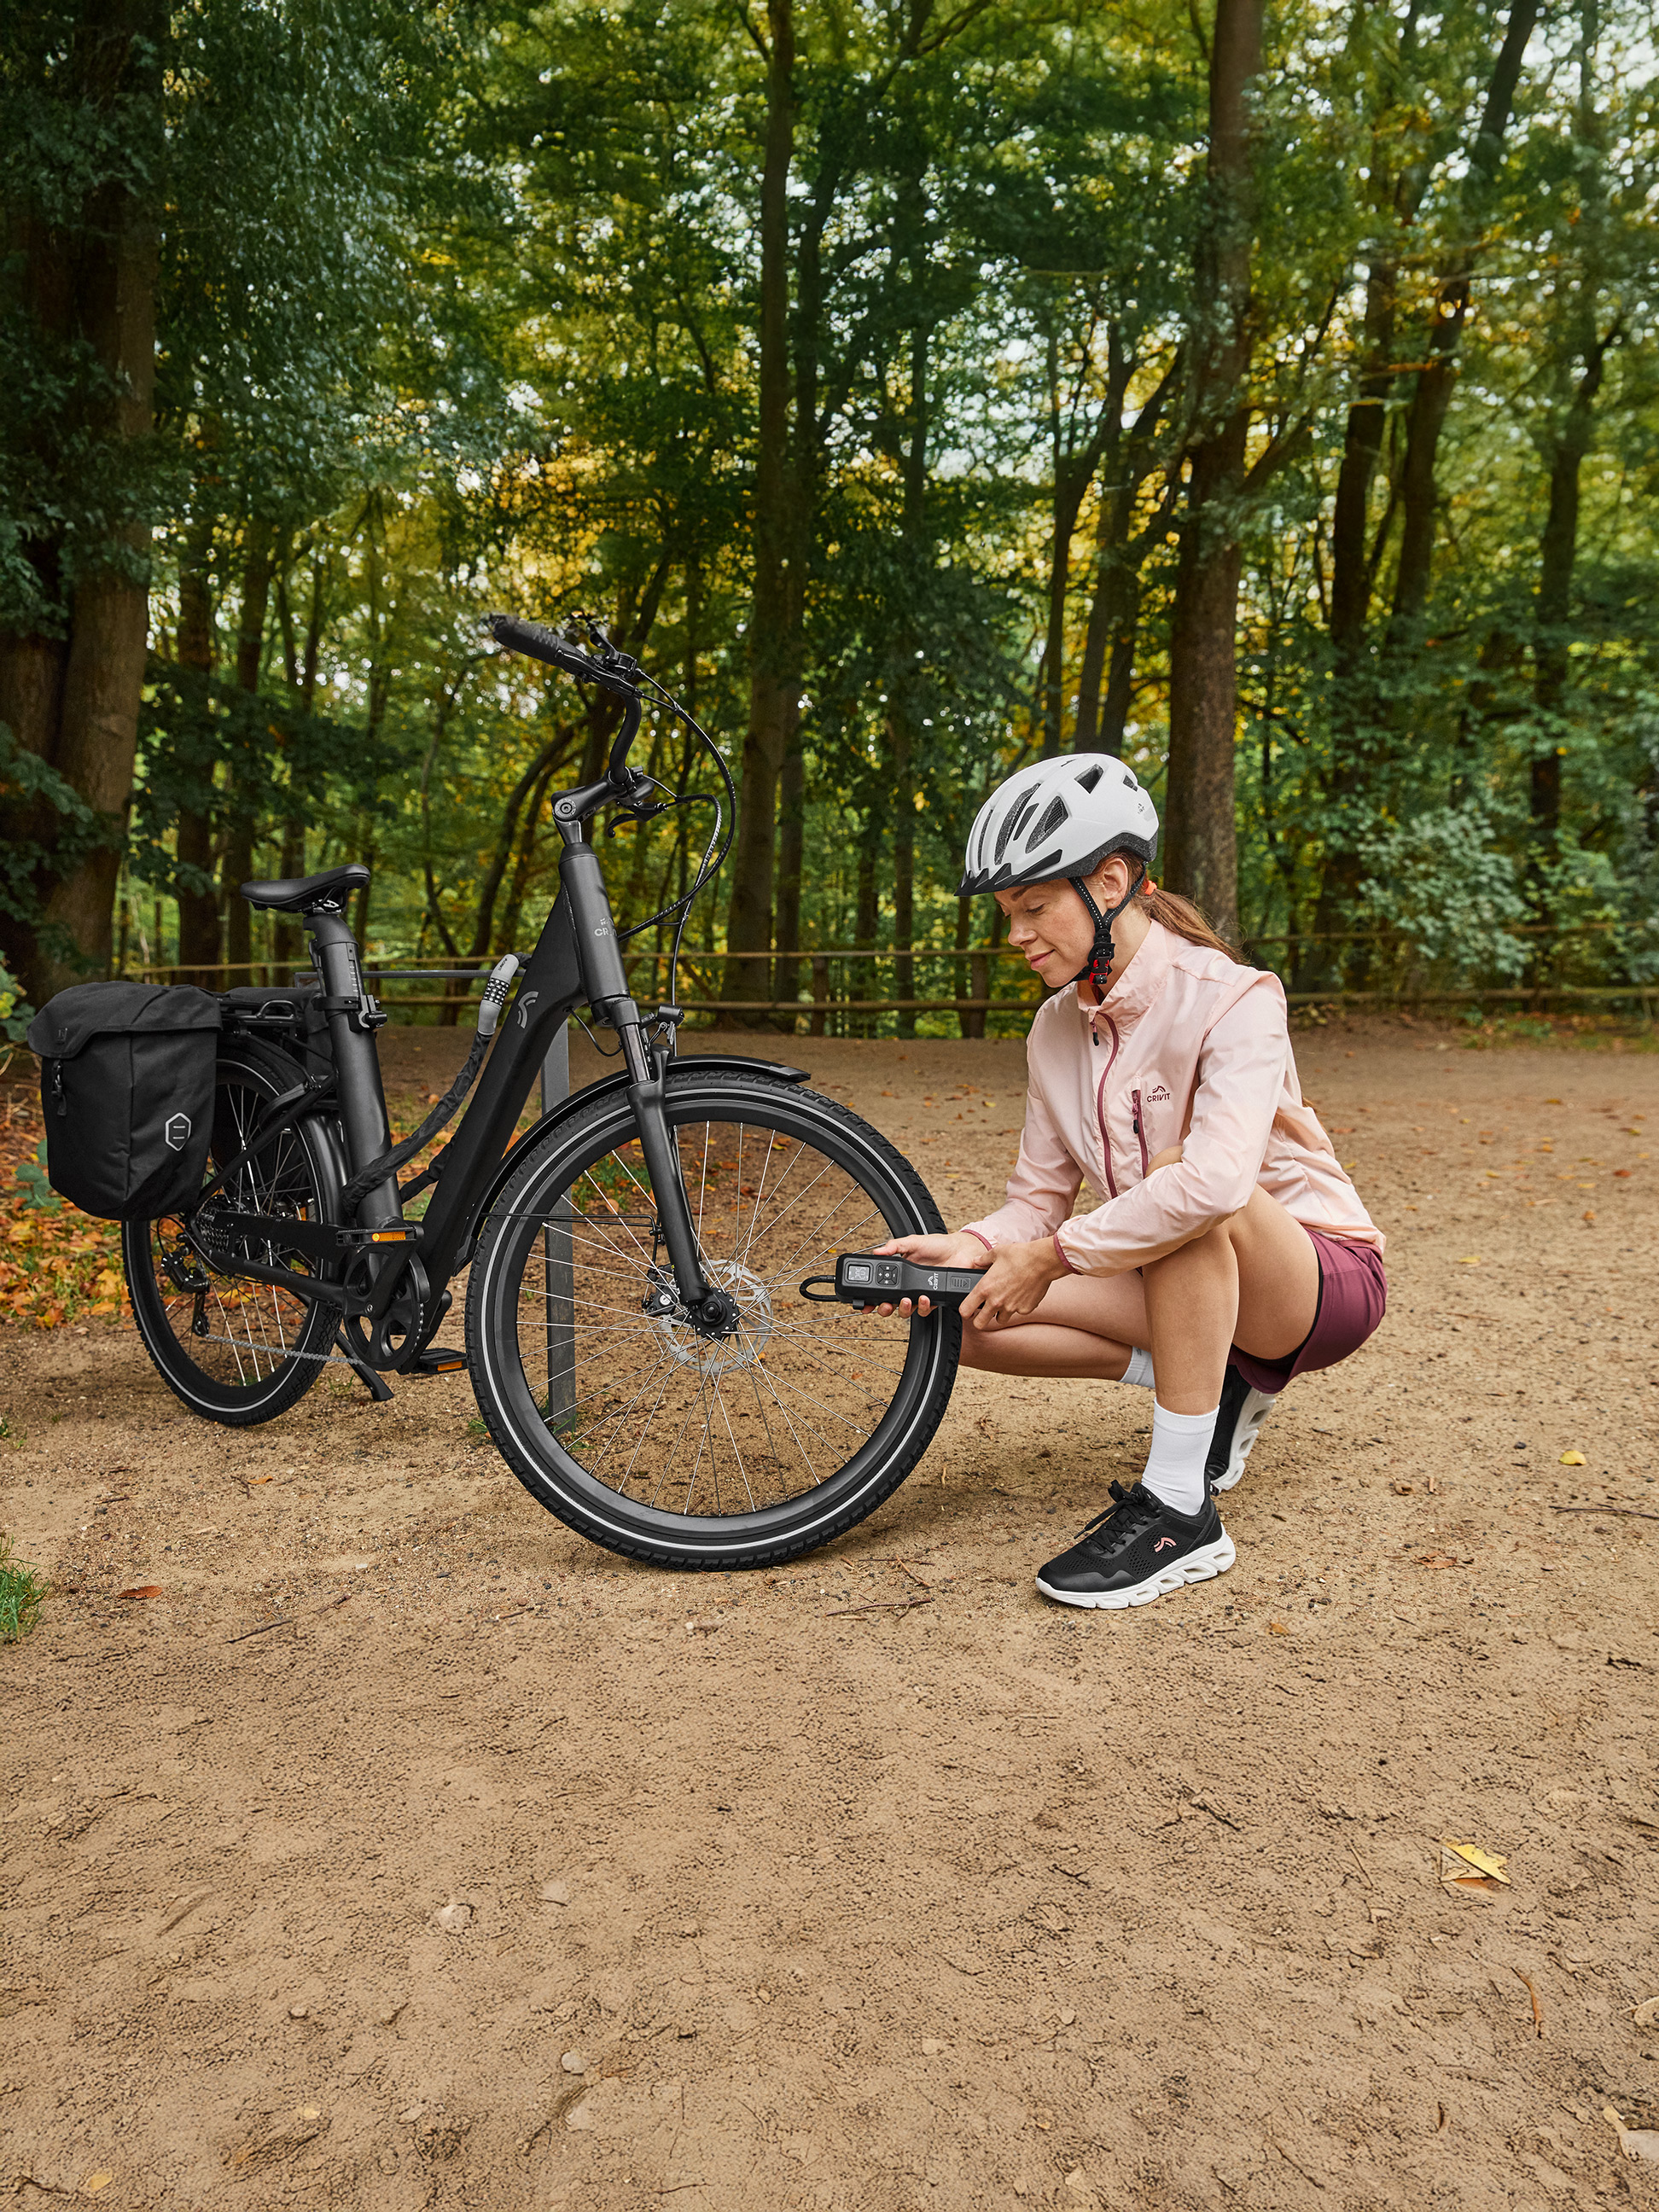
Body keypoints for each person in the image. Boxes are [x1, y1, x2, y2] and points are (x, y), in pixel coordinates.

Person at [868, 752, 1385, 1612]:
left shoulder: (1236, 998)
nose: (1016, 935)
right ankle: (1209, 1375)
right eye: (1007, 914)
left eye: (1034, 907)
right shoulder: (1053, 1029)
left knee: (1186, 1181)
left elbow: (1216, 1187)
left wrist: (1055, 1256)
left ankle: (1182, 1511)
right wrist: (976, 1245)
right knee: (965, 1311)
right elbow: (1038, 1201)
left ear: (1111, 881)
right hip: (1182, 1271)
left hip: (1318, 1282)